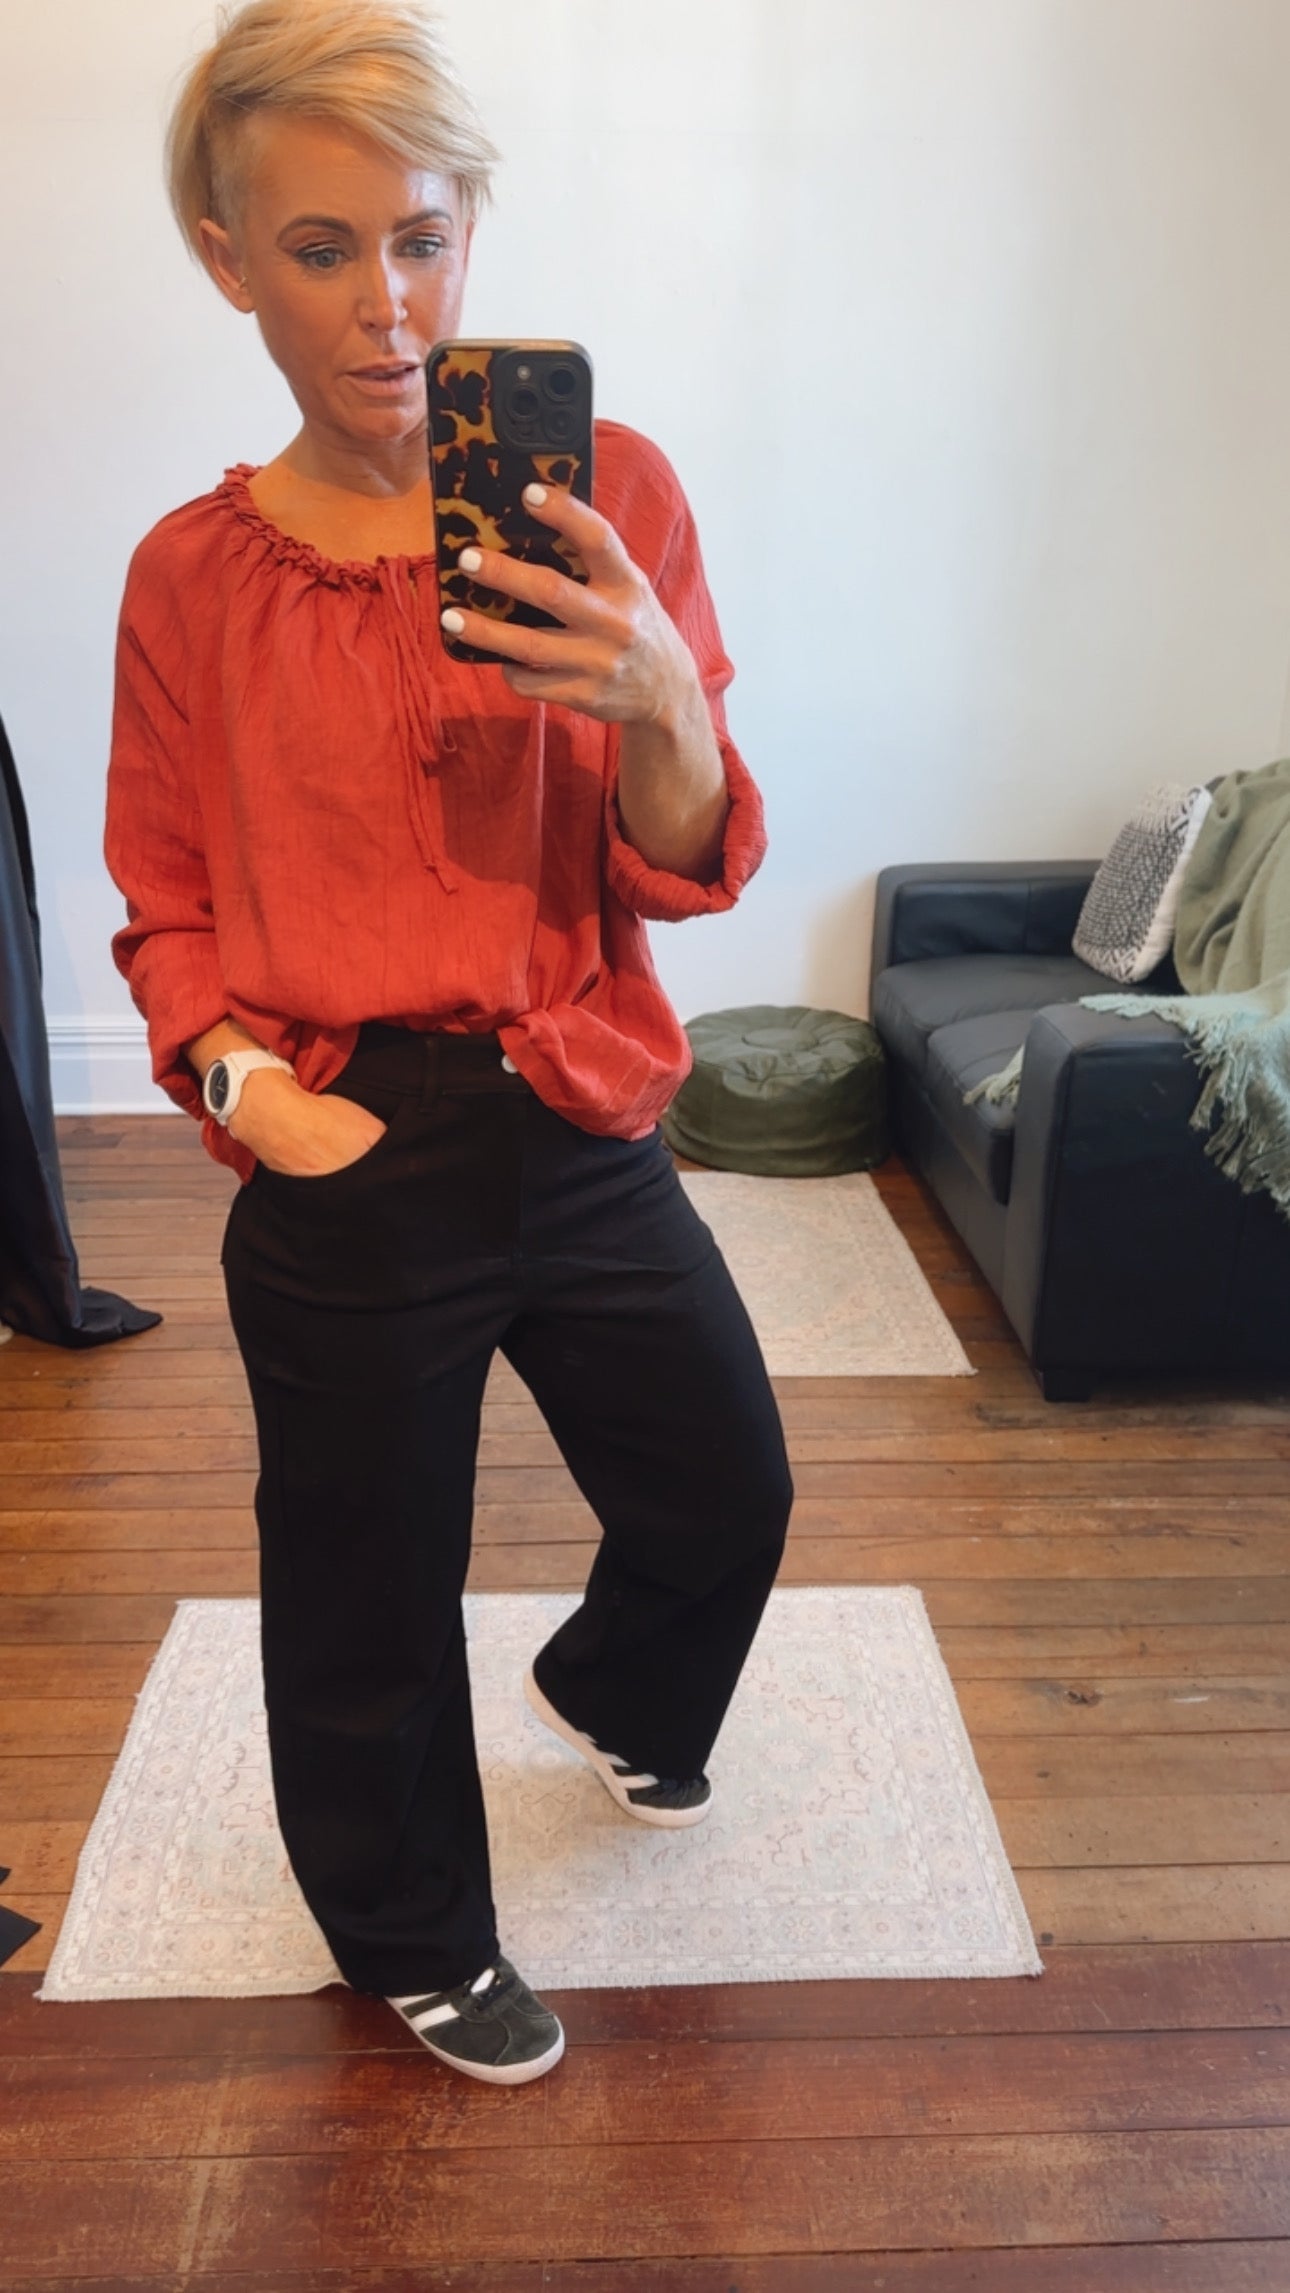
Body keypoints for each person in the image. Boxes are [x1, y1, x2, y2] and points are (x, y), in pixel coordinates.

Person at [105, 0, 793, 2088]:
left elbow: (681, 858)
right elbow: (165, 904)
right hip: (344, 1131)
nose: (386, 306)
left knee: (724, 1484)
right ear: (228, 258)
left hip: (576, 1092)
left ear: (470, 228)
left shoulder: (606, 495)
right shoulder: (192, 578)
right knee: (363, 1596)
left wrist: (658, 692)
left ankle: (619, 1688)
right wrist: (257, 1099)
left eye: (420, 238)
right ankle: (410, 1927)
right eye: (320, 249)